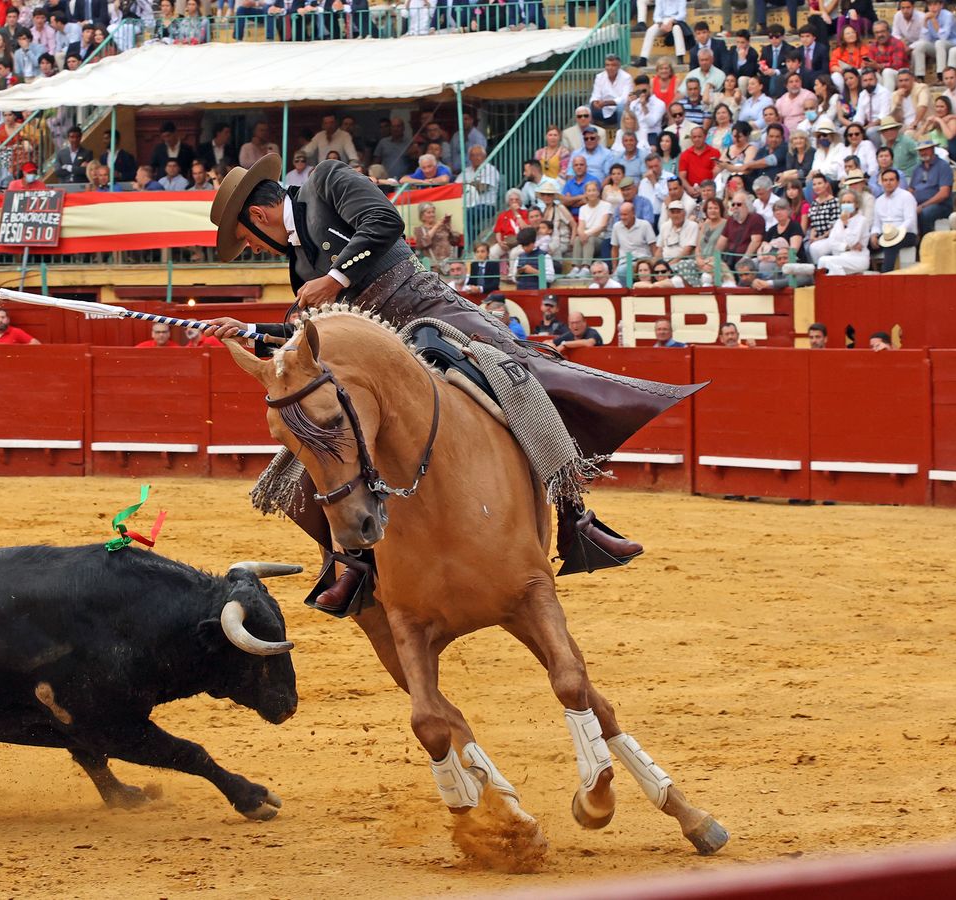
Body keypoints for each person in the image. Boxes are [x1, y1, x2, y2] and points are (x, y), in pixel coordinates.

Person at [202, 154, 702, 612]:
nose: (251, 247)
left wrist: (334, 277)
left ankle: (577, 520)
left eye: (245, 239)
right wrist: (253, 333)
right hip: (377, 359)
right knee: (314, 436)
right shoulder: (298, 264)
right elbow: (315, 334)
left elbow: (384, 222)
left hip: (428, 311)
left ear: (258, 215)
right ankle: (353, 562)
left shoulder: (326, 182)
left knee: (518, 374)